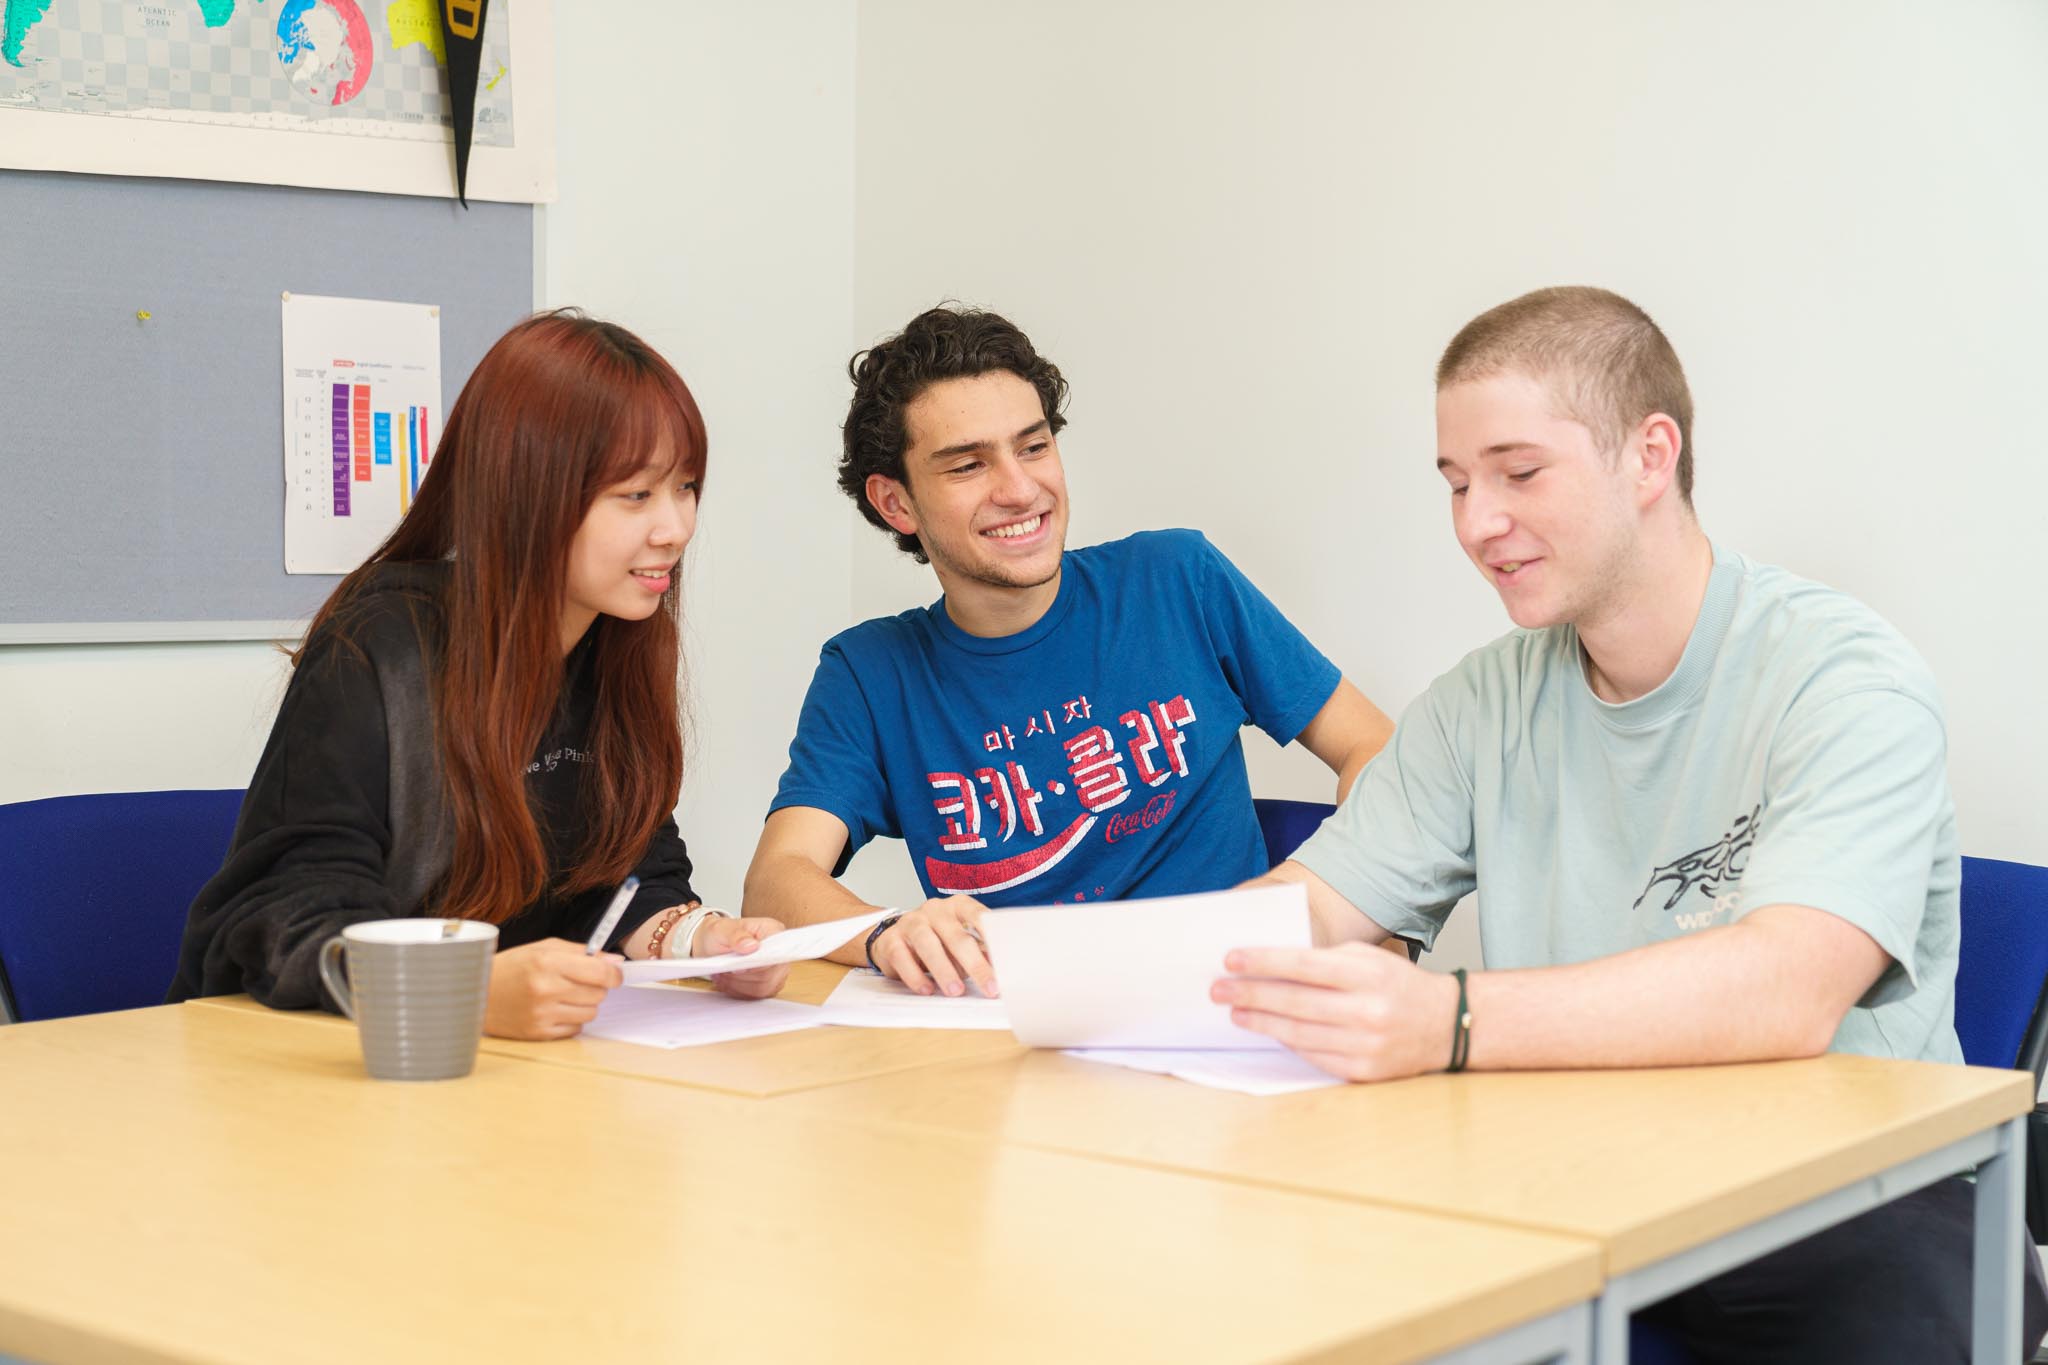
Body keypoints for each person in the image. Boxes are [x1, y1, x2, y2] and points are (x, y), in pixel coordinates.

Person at [1212, 285, 2045, 1361]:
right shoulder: (1479, 703)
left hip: (1850, 1208)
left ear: (1649, 457)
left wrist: (1446, 1021)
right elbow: (1299, 913)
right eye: (1456, 484)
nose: (1475, 523)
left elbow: (1786, 991)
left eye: (1516, 473)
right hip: (1571, 1180)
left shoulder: (1842, 678)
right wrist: (1020, 960)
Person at [742, 305, 1393, 997]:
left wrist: (1359, 904)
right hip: (1023, 1035)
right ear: (896, 504)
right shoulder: (870, 673)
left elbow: (1375, 749)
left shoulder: (1177, 578)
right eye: (968, 464)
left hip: (1227, 1003)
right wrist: (886, 931)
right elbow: (776, 879)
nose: (1020, 488)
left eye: (1033, 445)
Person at [169, 311, 788, 1038]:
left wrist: (702, 940)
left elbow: (627, 878)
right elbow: (291, 917)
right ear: (532, 493)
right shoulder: (380, 647)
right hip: (305, 1072)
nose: (676, 527)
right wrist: (463, 990)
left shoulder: (611, 642)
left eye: (685, 487)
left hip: (502, 1080)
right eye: (636, 495)